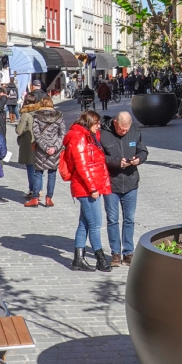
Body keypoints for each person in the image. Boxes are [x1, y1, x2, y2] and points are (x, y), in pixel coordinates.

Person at [63, 110, 112, 272]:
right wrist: (92, 188)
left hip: (90, 185)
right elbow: (82, 166)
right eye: (96, 123)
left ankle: (78, 259)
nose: (99, 126)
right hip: (86, 188)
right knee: (95, 224)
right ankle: (100, 258)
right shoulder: (79, 138)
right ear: (89, 122)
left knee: (84, 223)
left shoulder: (87, 136)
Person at [100, 112, 148, 267]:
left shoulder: (134, 131)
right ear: (115, 123)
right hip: (111, 184)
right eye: (121, 129)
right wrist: (115, 162)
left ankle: (128, 252)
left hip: (130, 182)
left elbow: (143, 151)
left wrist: (138, 159)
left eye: (126, 129)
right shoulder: (103, 133)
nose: (124, 132)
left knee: (129, 219)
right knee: (112, 220)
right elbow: (99, 157)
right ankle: (115, 253)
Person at [25, 96, 66, 207]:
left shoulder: (37, 116)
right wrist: (55, 147)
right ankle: (49, 198)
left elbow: (36, 134)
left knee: (38, 173)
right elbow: (62, 134)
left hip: (41, 150)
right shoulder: (59, 116)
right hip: (55, 149)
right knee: (52, 174)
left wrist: (45, 147)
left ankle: (35, 198)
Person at [16, 93, 40, 199]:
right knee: (38, 169)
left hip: (29, 143)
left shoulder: (25, 114)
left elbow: (19, 130)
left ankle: (33, 190)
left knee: (30, 167)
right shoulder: (40, 113)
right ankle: (39, 189)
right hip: (39, 142)